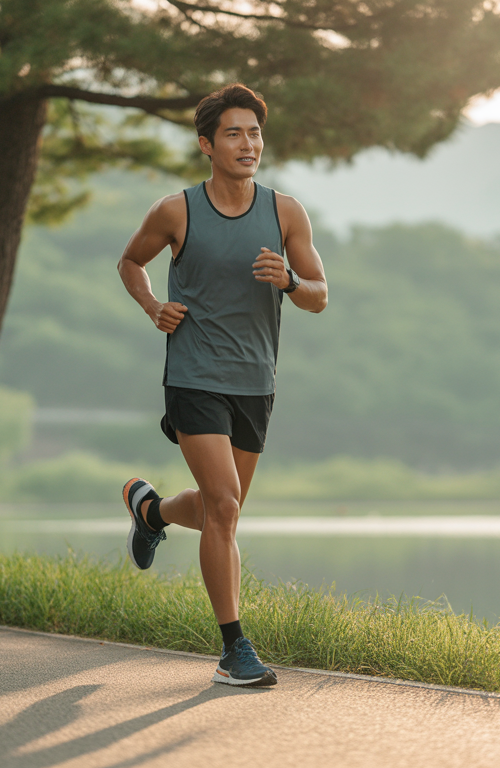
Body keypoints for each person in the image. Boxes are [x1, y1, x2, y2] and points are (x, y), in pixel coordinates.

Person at [116, 84, 328, 687]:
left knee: (219, 511)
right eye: (234, 133)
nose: (248, 144)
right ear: (206, 145)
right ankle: (234, 650)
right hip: (193, 375)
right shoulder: (175, 211)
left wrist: (288, 279)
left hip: (255, 382)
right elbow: (132, 262)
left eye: (255, 133)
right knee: (227, 506)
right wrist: (153, 305)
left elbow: (320, 296)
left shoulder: (285, 212)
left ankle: (152, 512)